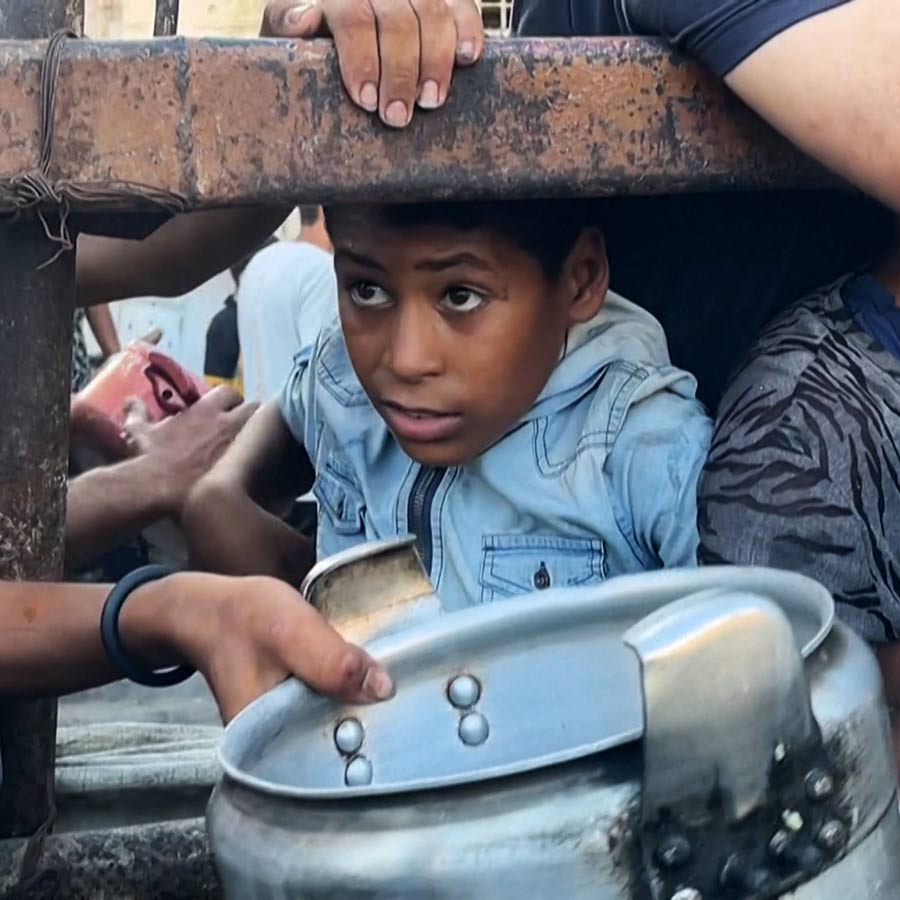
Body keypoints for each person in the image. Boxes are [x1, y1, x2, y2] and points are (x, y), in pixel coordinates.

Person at [183, 200, 711, 608]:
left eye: (461, 296)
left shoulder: (642, 449)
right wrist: (215, 499)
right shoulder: (342, 377)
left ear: (581, 279)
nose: (407, 360)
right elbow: (298, 402)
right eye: (367, 290)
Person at [237, 206, 339, 403]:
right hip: (296, 426)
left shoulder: (259, 262)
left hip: (253, 422)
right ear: (326, 214)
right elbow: (322, 374)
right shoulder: (323, 269)